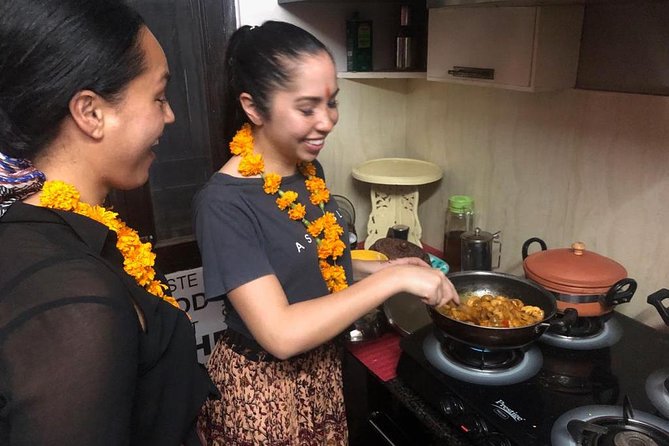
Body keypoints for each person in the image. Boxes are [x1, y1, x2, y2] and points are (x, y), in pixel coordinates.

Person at [193, 21, 459, 445]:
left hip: (322, 373)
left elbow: (306, 259)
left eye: (332, 103)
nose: (327, 121)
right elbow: (279, 333)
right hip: (263, 396)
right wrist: (393, 281)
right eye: (307, 107)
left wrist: (379, 269)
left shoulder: (306, 172)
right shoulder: (224, 204)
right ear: (253, 107)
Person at [0, 1, 219, 445]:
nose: (170, 115)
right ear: (91, 112)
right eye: (158, 96)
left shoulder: (49, 230)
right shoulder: (77, 297)